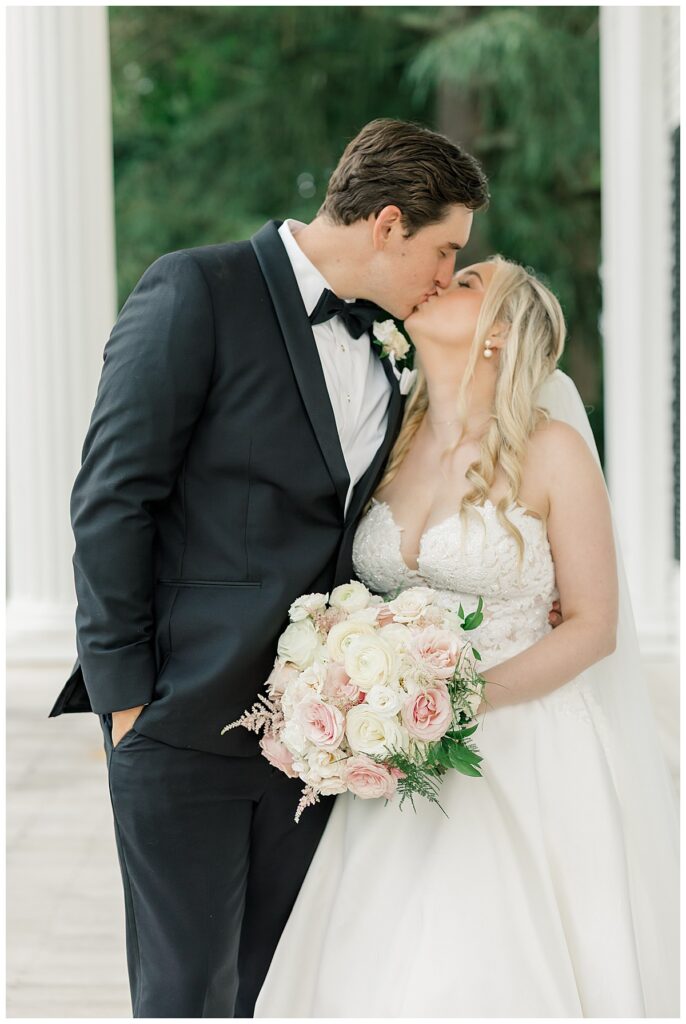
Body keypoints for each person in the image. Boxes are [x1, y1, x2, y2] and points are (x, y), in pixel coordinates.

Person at [48, 119, 494, 1017]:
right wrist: (127, 704)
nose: (448, 276)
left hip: (319, 739)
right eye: (444, 250)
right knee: (186, 997)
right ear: (388, 224)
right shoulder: (196, 289)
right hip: (181, 719)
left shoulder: (388, 350)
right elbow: (113, 498)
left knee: (276, 993)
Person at [254, 256, 679, 1017]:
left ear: (500, 334)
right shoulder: (388, 438)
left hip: (522, 750)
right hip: (396, 755)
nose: (439, 278)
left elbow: (593, 625)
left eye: (468, 280)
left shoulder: (552, 450)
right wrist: (355, 684)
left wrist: (458, 700)